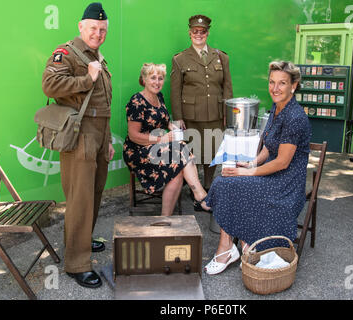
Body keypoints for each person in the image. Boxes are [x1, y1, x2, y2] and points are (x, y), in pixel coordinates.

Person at [203, 61, 311, 275]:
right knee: (227, 179)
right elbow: (269, 147)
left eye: (282, 83)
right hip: (274, 175)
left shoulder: (295, 117)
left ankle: (229, 248)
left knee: (230, 183)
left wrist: (248, 172)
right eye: (272, 82)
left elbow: (282, 162)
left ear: (294, 86)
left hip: (286, 184)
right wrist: (252, 163)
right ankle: (236, 245)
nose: (275, 88)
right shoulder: (277, 108)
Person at [41, 2, 114, 288]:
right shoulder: (68, 53)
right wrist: (88, 78)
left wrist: (107, 141)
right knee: (80, 198)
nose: (98, 33)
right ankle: (76, 263)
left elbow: (103, 106)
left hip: (98, 134)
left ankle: (82, 241)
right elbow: (50, 85)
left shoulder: (97, 56)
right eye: (93, 28)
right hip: (79, 135)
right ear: (81, 27)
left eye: (103, 29)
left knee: (94, 193)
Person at [123, 63, 212, 216]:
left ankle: (167, 219)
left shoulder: (160, 97)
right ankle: (200, 195)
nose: (157, 82)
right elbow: (134, 135)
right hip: (138, 149)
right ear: (144, 79)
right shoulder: (136, 101)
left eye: (160, 78)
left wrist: (172, 128)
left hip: (158, 145)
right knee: (179, 152)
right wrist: (161, 139)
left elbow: (163, 121)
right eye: (152, 78)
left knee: (177, 166)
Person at [170, 14, 233, 191]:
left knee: (212, 152)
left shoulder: (221, 57)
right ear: (190, 33)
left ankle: (209, 185)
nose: (199, 34)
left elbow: (227, 87)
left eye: (203, 31)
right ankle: (195, 188)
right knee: (193, 152)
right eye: (195, 31)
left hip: (215, 114)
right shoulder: (180, 59)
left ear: (207, 33)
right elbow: (175, 91)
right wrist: (178, 118)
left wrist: (227, 115)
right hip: (191, 116)